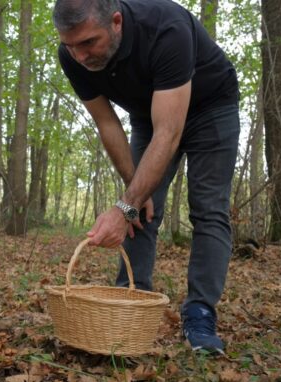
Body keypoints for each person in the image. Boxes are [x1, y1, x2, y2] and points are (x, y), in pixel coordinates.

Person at [53, 0, 240, 354]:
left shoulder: (166, 28)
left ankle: (200, 313)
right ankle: (130, 298)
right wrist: (134, 196)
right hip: (148, 114)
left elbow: (169, 132)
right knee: (140, 210)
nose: (79, 55)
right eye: (70, 45)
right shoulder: (71, 55)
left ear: (117, 22)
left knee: (208, 208)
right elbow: (107, 122)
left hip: (211, 106)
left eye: (89, 43)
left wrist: (125, 206)